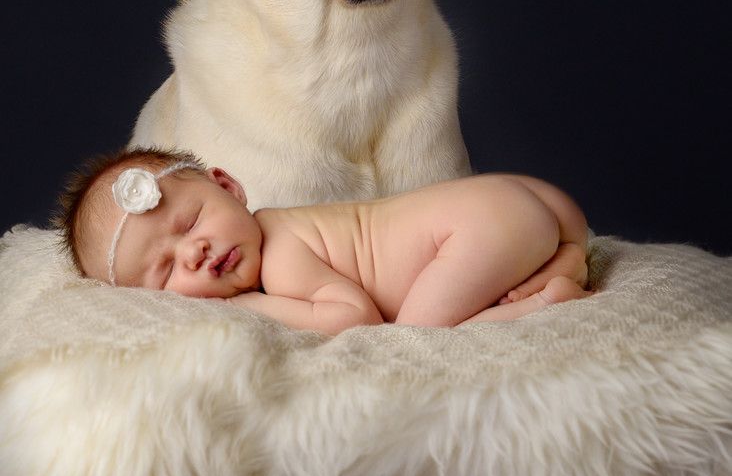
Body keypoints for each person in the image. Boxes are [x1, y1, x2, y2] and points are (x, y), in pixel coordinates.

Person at [55, 147, 592, 333]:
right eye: (166, 272)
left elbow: (350, 316)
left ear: (229, 187)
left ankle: (545, 301)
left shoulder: (281, 253)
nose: (193, 253)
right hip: (516, 199)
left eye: (192, 223)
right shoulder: (283, 227)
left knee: (417, 331)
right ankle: (564, 258)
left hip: (475, 226)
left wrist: (253, 306)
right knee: (551, 235)